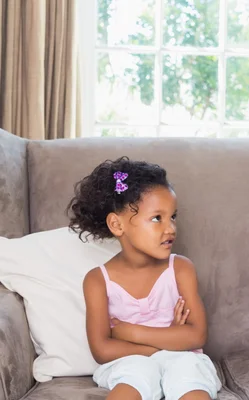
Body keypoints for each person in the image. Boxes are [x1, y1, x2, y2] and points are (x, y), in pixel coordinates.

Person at [68, 157, 221, 400]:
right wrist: (168, 340)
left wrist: (129, 332)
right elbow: (102, 349)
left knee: (187, 372)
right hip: (129, 362)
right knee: (136, 373)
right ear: (117, 225)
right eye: (157, 218)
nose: (170, 228)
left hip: (183, 357)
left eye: (173, 216)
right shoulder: (98, 280)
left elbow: (196, 336)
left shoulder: (180, 268)